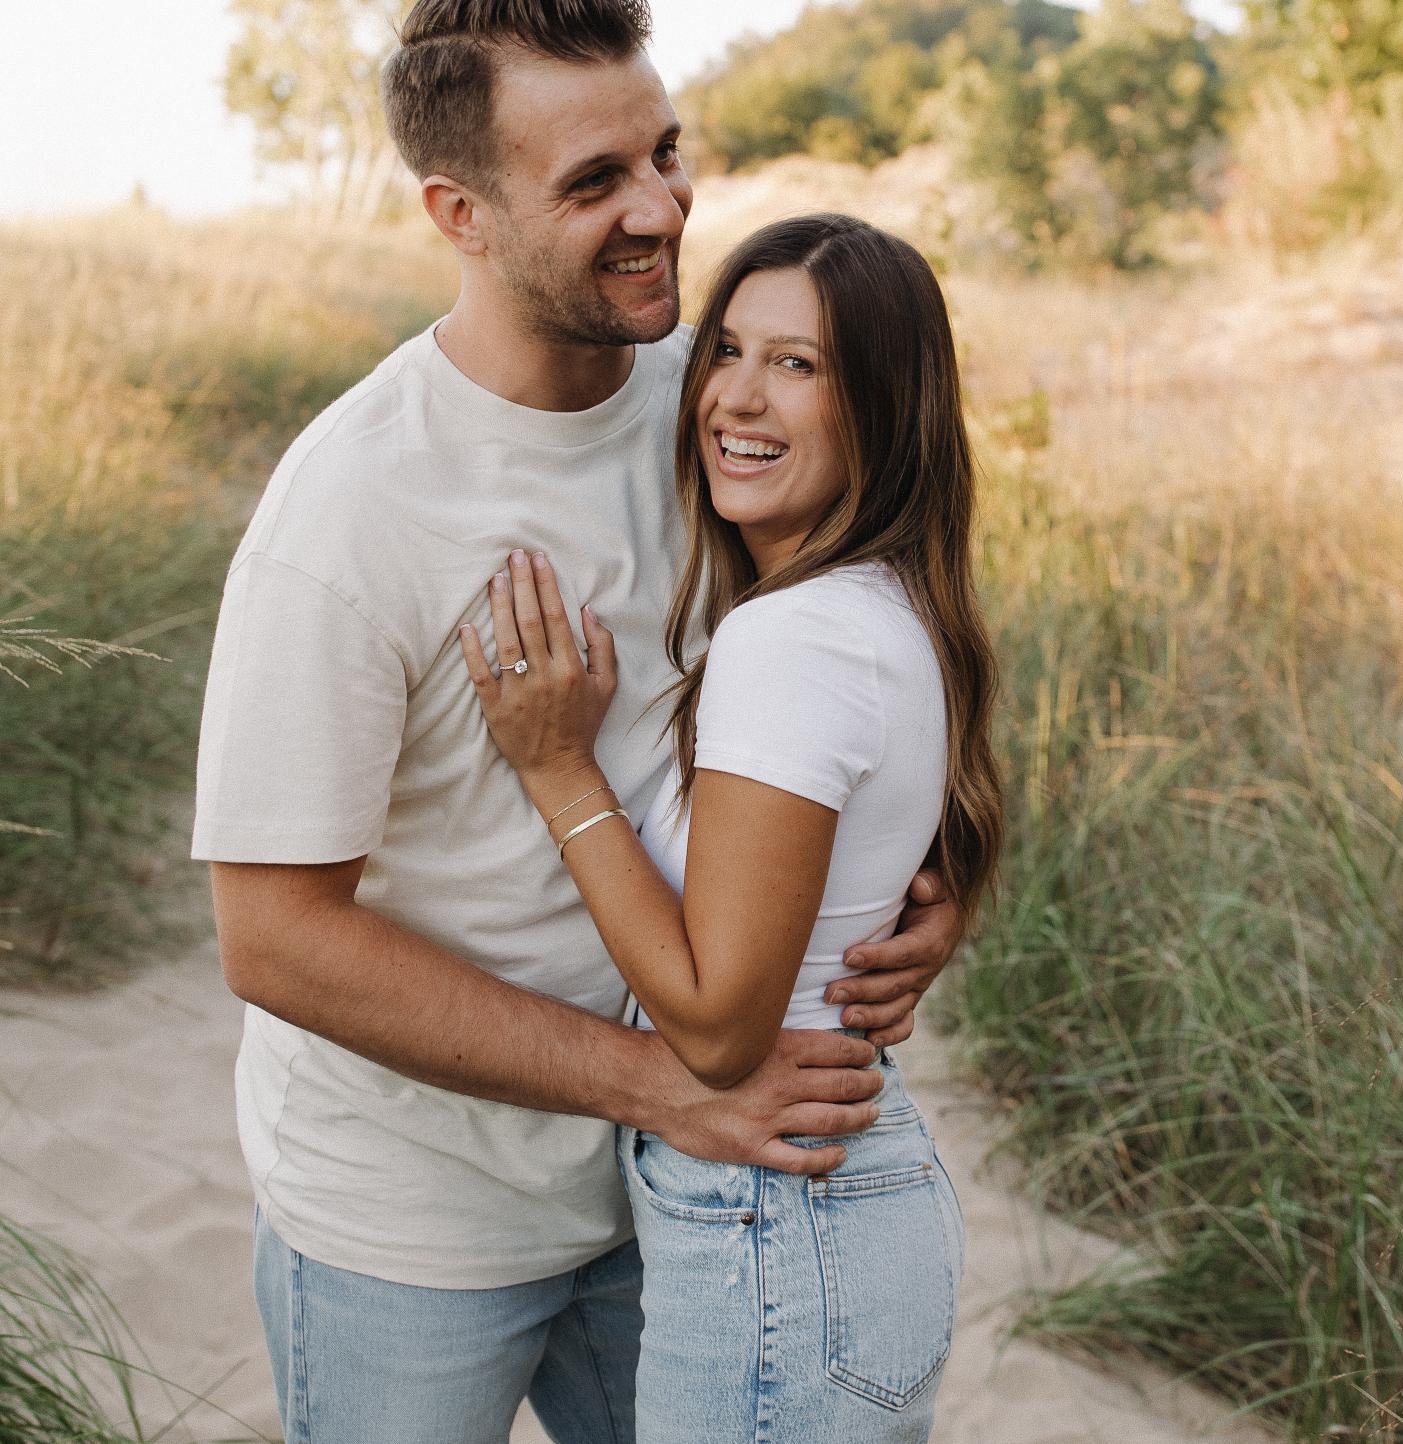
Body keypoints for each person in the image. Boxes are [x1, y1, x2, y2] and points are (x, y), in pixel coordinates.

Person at [190, 5, 962, 1443]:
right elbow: (273, 937)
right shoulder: (350, 510)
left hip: (674, 1196)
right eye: (595, 180)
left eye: (664, 152)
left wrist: (929, 892)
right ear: (461, 214)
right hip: (416, 1227)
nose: (661, 208)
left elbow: (876, 654)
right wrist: (658, 1083)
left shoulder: (717, 412)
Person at [460, 213, 1003, 1442]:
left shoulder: (791, 636)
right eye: (727, 351)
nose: (737, 399)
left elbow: (714, 1030)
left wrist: (558, 770)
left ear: (884, 409)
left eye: (798, 365)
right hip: (832, 1209)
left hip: (781, 1218)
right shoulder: (883, 600)